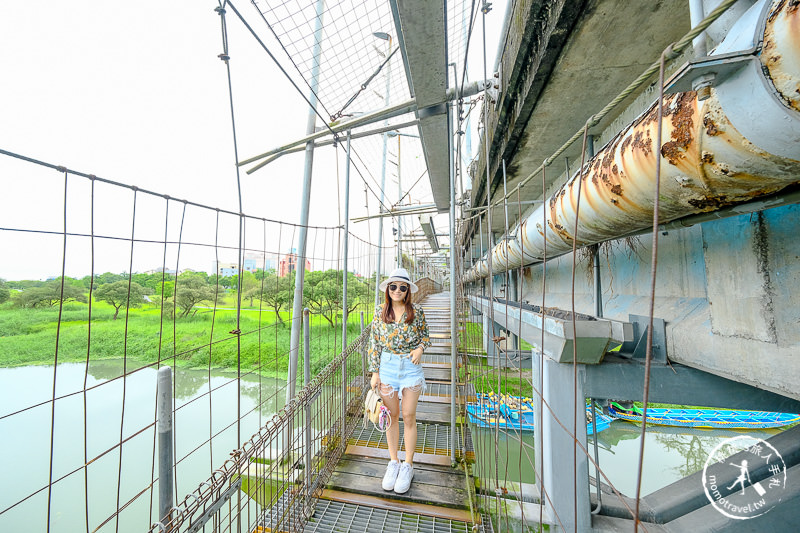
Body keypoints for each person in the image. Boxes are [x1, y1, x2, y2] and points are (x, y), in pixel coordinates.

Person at [368, 267, 431, 494]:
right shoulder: (379, 312)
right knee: (391, 416)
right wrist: (374, 372)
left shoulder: (417, 311)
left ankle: (408, 465)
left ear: (407, 291)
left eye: (402, 287)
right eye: (392, 286)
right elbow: (374, 342)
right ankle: (393, 462)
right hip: (387, 367)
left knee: (409, 415)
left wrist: (421, 348)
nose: (397, 290)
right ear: (387, 289)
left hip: (411, 368)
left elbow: (426, 335)